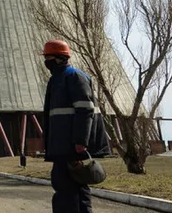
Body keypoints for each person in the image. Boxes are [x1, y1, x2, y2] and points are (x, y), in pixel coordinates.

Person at [41, 39, 111, 213]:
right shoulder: (57, 79)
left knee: (66, 188)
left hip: (71, 145)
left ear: (58, 58)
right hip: (62, 144)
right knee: (75, 187)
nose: (45, 61)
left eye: (48, 57)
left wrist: (80, 140)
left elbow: (85, 110)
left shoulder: (74, 77)